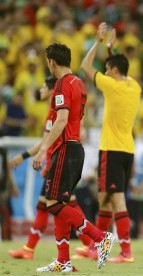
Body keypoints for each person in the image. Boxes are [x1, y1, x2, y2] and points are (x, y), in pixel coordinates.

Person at [32, 43, 115, 272]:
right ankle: (63, 260)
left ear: (51, 62)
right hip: (75, 147)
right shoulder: (79, 83)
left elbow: (61, 120)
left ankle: (100, 238)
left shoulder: (61, 85)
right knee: (60, 202)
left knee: (52, 203)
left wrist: (42, 150)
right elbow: (80, 118)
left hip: (66, 149)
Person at [7, 76, 93, 260]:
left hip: (59, 162)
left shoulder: (54, 113)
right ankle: (82, 248)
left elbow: (45, 142)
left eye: (44, 88)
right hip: (61, 160)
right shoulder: (57, 110)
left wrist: (23, 156)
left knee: (56, 205)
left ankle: (95, 241)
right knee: (51, 205)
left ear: (52, 89)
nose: (40, 91)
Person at [80, 22, 141, 263]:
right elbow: (118, 68)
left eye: (107, 69)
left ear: (114, 70)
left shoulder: (111, 86)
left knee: (116, 199)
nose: (104, 73)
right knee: (104, 198)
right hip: (127, 149)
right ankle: (97, 247)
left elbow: (85, 66)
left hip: (112, 149)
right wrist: (110, 50)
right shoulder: (133, 86)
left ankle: (126, 251)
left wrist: (97, 41)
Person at [0, 147, 18, 241]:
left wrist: (13, 186)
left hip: (3, 189)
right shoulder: (3, 151)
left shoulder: (3, 151)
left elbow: (7, 170)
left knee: (6, 214)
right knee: (5, 214)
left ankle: (6, 238)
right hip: (3, 189)